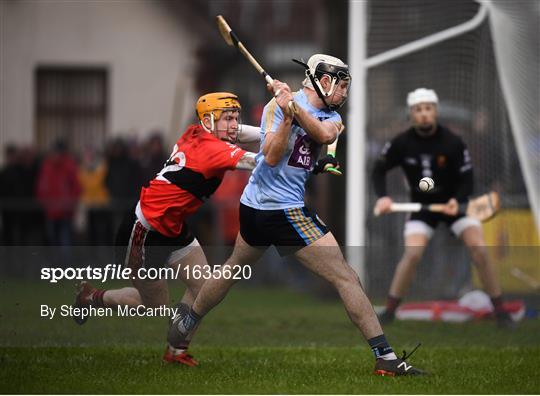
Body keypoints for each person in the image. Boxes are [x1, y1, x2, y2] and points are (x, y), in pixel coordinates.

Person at [168, 54, 425, 376]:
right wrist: (287, 115)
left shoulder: (330, 117)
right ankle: (385, 358)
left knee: (233, 267)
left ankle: (183, 330)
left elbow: (323, 135)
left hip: (257, 207)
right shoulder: (277, 107)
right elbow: (272, 158)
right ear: (325, 81)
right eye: (342, 85)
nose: (345, 93)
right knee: (345, 276)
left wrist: (294, 109)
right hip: (281, 210)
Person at [73, 92, 258, 366]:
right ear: (208, 121)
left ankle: (176, 350)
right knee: (156, 308)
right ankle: (93, 296)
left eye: (236, 118)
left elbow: (241, 132)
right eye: (228, 118)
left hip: (173, 227)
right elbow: (262, 162)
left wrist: (285, 127)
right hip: (145, 231)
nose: (234, 125)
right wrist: (298, 146)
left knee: (204, 287)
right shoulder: (213, 150)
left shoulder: (196, 132)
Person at [371, 88, 514, 328]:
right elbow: (378, 170)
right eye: (418, 110)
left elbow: (467, 177)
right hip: (422, 207)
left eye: (428, 109)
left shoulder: (453, 141)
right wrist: (383, 197)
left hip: (455, 205)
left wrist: (457, 200)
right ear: (412, 114)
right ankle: (390, 311)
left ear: (435, 112)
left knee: (478, 249)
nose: (424, 114)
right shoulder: (401, 143)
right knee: (413, 254)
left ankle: (500, 311)